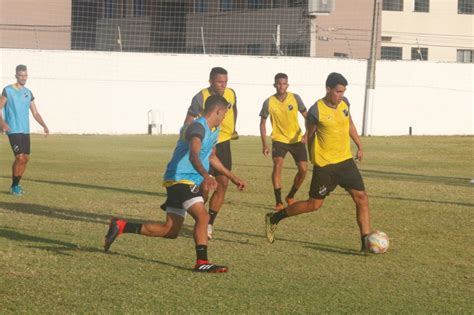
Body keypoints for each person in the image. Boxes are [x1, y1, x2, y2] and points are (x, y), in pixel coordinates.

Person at [104, 95, 246, 273]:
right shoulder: (197, 127)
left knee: (170, 230)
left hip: (181, 180)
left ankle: (122, 226)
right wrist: (206, 175)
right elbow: (194, 155)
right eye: (224, 112)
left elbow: (211, 156)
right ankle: (202, 262)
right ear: (217, 111)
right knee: (203, 217)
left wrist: (232, 176)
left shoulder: (213, 130)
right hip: (181, 179)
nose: (225, 116)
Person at [265, 72, 373, 252]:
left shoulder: (344, 103)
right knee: (313, 205)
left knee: (361, 198)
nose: (340, 95)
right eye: (338, 91)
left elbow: (349, 123)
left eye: (343, 91)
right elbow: (310, 135)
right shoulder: (316, 111)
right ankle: (274, 218)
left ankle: (365, 243)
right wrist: (315, 159)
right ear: (328, 89)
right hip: (326, 166)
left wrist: (359, 145)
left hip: (345, 161)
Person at [183, 67, 238, 240]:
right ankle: (194, 212)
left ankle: (209, 223)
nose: (223, 85)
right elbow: (189, 119)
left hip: (223, 144)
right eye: (219, 82)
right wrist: (188, 138)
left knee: (223, 184)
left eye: (225, 81)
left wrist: (233, 128)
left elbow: (234, 109)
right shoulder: (200, 97)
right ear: (210, 81)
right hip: (207, 146)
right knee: (205, 188)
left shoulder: (231, 94)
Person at [259, 73, 308, 211]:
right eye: (279, 83)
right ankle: (279, 201)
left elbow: (307, 117)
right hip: (279, 140)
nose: (282, 86)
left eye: (284, 83)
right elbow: (262, 123)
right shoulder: (268, 102)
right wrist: (265, 144)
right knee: (278, 164)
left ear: (287, 85)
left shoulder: (295, 98)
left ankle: (290, 196)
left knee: (303, 169)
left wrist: (307, 134)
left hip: (296, 139)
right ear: (275, 85)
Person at [0, 64, 49, 195]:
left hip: (25, 130)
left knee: (26, 158)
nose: (23, 78)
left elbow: (35, 113)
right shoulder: (8, 90)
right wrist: (2, 123)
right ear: (16, 76)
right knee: (19, 157)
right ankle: (14, 186)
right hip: (13, 129)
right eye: (21, 75)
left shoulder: (28, 92)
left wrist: (44, 125)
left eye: (25, 75)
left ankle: (16, 185)